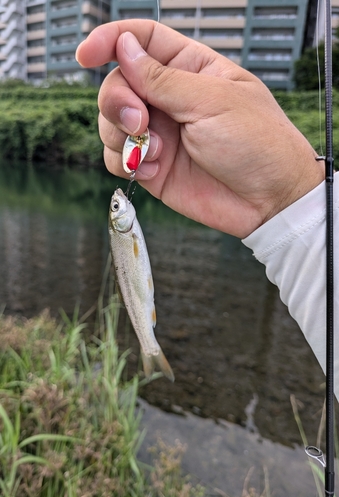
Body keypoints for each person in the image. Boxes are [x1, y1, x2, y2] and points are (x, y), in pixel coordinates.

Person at [76, 20, 339, 396]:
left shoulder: (126, 228)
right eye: (116, 204)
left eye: (117, 203)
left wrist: (294, 197)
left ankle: (149, 348)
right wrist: (294, 201)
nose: (119, 201)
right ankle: (150, 348)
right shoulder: (126, 228)